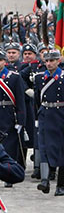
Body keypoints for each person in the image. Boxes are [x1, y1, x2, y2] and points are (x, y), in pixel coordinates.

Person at [33, 49, 64, 195]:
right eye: (47, 61)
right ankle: (44, 181)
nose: (49, 63)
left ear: (59, 61)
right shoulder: (39, 78)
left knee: (61, 149)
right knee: (43, 146)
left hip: (61, 114)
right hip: (45, 114)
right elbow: (37, 100)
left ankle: (61, 185)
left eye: (52, 60)